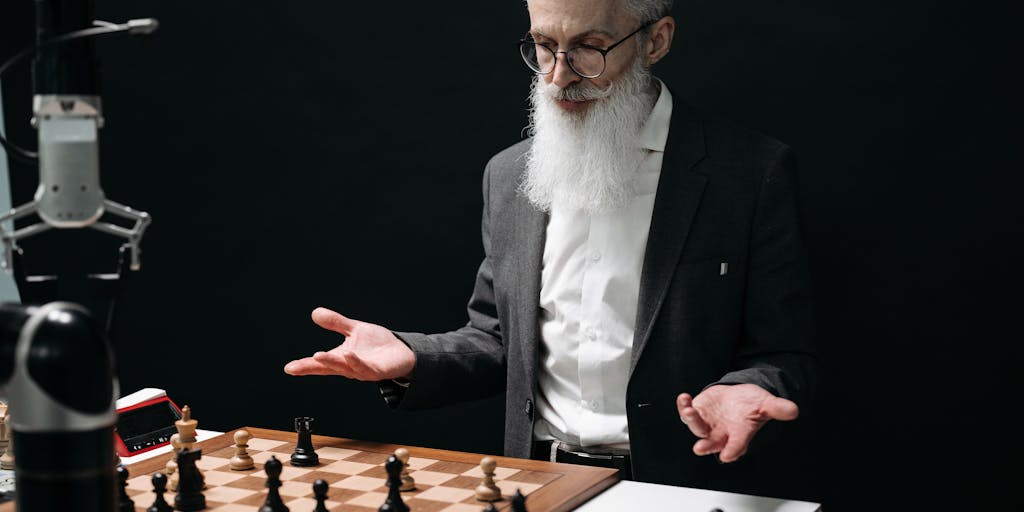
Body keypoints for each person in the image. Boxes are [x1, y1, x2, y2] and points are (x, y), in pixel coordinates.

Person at [285, 0, 817, 494]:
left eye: (589, 47)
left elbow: (782, 350)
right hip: (538, 480)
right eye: (543, 46)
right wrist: (412, 358)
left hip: (681, 485)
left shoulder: (749, 174)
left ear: (655, 41)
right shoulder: (510, 173)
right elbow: (497, 341)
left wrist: (747, 386)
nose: (558, 76)